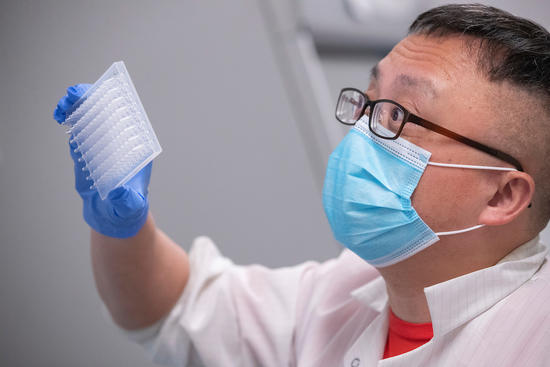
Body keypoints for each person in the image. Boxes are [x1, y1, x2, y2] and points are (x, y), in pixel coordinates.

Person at [53, 3, 550, 366]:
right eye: (370, 100)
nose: (362, 133)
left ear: (503, 195)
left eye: (402, 115)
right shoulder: (346, 291)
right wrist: (123, 226)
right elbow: (177, 310)